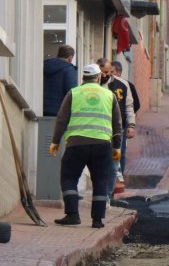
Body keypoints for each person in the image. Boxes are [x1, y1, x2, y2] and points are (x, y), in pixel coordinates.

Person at [49, 63, 122, 229]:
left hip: (76, 144)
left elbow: (62, 120)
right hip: (102, 145)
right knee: (100, 181)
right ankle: (97, 220)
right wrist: (117, 147)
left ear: (83, 78)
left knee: (69, 177)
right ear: (98, 78)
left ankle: (72, 215)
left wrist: (55, 141)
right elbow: (117, 124)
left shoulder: (73, 93)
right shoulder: (109, 95)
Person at [95, 58, 136, 197]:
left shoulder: (122, 85)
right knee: (100, 164)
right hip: (98, 130)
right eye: (102, 72)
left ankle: (108, 195)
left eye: (108, 72)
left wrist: (131, 125)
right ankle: (100, 195)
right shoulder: (93, 86)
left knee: (115, 163)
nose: (105, 75)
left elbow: (129, 106)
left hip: (118, 131)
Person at [110, 60, 140, 193]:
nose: (110, 75)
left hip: (120, 125)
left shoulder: (126, 85)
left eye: (112, 72)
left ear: (119, 72)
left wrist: (130, 124)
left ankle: (118, 179)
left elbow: (134, 105)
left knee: (119, 153)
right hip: (105, 125)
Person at [43, 45, 77, 116]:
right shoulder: (69, 69)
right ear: (70, 58)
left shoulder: (43, 65)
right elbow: (71, 92)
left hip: (41, 108)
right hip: (59, 111)